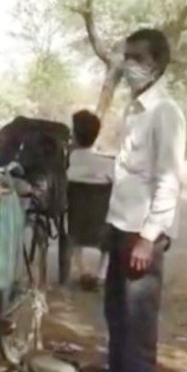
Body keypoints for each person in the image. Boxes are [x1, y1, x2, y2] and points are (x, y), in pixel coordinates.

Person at [97, 28, 187, 372]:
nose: (130, 65)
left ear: (158, 65)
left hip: (141, 233)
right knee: (116, 310)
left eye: (139, 58)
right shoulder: (134, 110)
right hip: (121, 225)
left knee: (139, 316)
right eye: (127, 56)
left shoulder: (165, 112)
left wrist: (149, 237)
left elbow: (168, 179)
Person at [67, 109, 113, 288]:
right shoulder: (108, 163)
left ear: (74, 135)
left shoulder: (69, 161)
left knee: (72, 224)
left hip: (75, 222)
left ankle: (81, 269)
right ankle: (101, 273)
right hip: (102, 223)